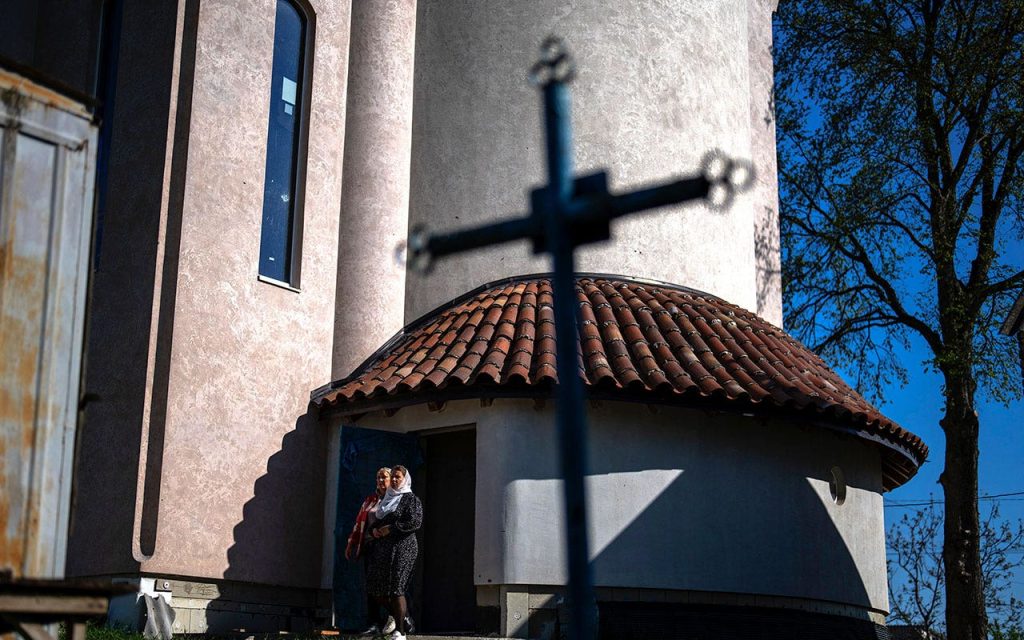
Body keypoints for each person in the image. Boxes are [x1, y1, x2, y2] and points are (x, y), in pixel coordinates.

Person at [366, 465, 423, 640]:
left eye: (399, 477)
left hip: (403, 548)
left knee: (397, 588)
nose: (396, 480)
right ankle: (403, 618)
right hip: (384, 549)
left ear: (405, 479)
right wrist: (374, 531)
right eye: (395, 477)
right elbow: (378, 520)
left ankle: (400, 631)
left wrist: (391, 529)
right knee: (377, 588)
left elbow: (415, 522)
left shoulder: (410, 499)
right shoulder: (387, 499)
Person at [345, 467, 395, 635]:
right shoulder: (370, 500)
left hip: (387, 549)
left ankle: (399, 617)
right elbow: (359, 522)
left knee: (386, 586)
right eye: (379, 478)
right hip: (370, 548)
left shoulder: (396, 499)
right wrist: (351, 543)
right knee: (370, 587)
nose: (381, 481)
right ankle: (373, 623)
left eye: (384, 478)